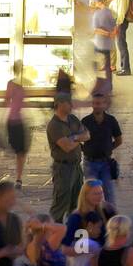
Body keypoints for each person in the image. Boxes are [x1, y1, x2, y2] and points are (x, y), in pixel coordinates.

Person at [46, 93, 89, 221]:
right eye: (69, 103)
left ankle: (73, 232)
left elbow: (87, 135)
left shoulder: (73, 119)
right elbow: (67, 147)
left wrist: (74, 137)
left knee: (77, 203)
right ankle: (54, 234)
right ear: (59, 104)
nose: (72, 105)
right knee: (60, 203)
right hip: (63, 169)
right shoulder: (54, 125)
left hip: (76, 167)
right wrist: (78, 138)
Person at [80, 91, 122, 204]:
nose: (96, 106)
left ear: (104, 105)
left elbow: (119, 140)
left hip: (105, 163)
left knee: (108, 194)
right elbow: (78, 139)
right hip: (90, 163)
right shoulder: (85, 121)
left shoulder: (111, 120)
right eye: (94, 103)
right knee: (90, 194)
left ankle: (110, 218)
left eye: (99, 103)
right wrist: (85, 150)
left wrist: (109, 148)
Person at [4, 67, 30, 189]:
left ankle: (18, 178)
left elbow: (6, 100)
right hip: (17, 121)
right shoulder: (21, 85)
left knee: (19, 151)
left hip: (14, 120)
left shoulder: (12, 84)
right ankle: (18, 178)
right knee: (20, 152)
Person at [107, 0, 133, 78]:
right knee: (121, 45)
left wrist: (117, 25)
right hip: (120, 23)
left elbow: (121, 13)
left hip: (121, 23)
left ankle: (125, 68)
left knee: (122, 45)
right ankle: (123, 67)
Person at [90, 0, 117, 90]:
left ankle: (98, 85)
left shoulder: (96, 14)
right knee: (107, 66)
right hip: (108, 44)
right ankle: (109, 85)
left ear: (98, 2)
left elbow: (95, 29)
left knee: (97, 66)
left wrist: (106, 34)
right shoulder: (109, 12)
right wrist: (112, 34)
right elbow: (115, 25)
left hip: (99, 44)